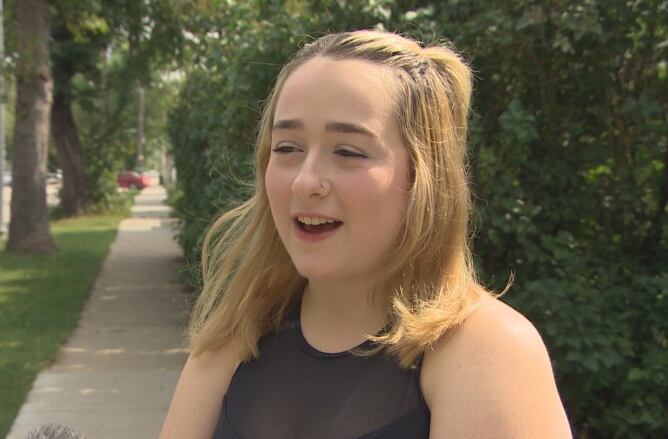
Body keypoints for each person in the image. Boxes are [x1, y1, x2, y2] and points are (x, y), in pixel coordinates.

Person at [160, 30, 571, 438]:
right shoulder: (234, 340)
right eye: (287, 148)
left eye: (348, 152)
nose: (306, 181)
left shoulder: (486, 351)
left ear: (423, 178)